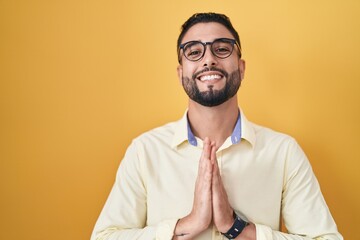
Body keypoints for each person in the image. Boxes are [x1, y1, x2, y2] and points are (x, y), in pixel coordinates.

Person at [91, 13, 343, 240]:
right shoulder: (144, 151)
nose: (208, 60)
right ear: (180, 73)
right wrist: (184, 226)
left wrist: (237, 228)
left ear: (241, 68)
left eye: (222, 49)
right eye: (193, 52)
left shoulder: (284, 152)